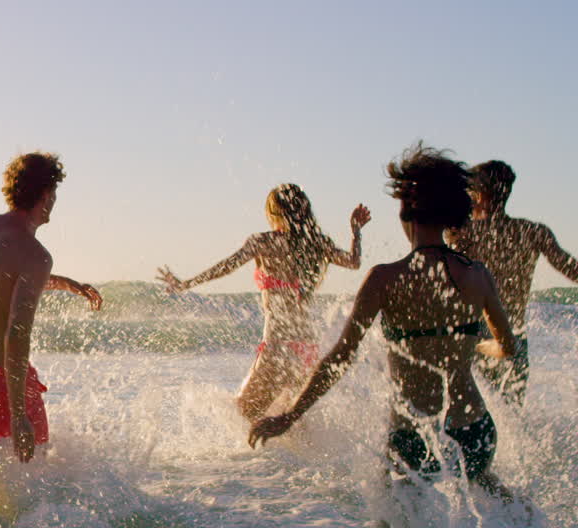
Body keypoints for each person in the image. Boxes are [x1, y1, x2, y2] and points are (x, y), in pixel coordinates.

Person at [249, 143, 521, 503]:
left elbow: (340, 357)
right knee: (489, 495)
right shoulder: (478, 275)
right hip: (474, 428)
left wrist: (290, 415)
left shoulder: (385, 279)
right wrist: (475, 344)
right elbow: (508, 347)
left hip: (415, 433)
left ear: (406, 209)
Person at [0, 151, 103, 522]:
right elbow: (16, 332)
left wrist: (66, 284)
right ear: (45, 195)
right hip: (2, 381)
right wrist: (18, 415)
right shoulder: (36, 254)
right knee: (35, 488)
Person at [158, 184, 370, 421]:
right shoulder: (317, 243)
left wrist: (187, 283)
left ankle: (257, 460)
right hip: (307, 348)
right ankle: (308, 460)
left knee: (242, 416)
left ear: (275, 212)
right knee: (288, 421)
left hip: (279, 345)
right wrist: (356, 232)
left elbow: (227, 266)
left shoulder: (264, 242)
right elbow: (354, 261)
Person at [447, 160, 578, 405]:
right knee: (511, 415)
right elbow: (572, 270)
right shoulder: (533, 232)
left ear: (479, 194)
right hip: (515, 337)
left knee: (470, 416)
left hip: (472, 337)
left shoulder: (463, 232)